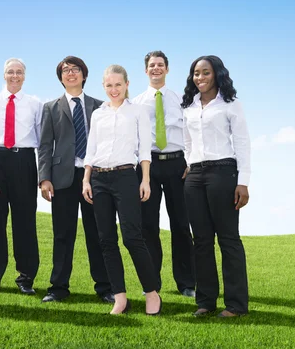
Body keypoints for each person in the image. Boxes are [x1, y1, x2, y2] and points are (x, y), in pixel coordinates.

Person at [82, 64, 162, 315]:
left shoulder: (138, 111)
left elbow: (145, 150)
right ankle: (120, 297)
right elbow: (91, 150)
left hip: (127, 176)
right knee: (106, 240)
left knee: (132, 237)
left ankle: (151, 292)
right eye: (109, 85)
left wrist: (145, 179)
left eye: (118, 84)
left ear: (127, 85)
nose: (113, 89)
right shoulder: (98, 114)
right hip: (99, 179)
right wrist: (86, 179)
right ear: (103, 87)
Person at [38, 56, 114, 303]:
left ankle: (105, 288)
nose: (71, 73)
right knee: (62, 234)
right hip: (63, 179)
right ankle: (58, 287)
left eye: (75, 70)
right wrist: (44, 179)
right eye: (65, 70)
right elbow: (45, 145)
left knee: (98, 233)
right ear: (61, 77)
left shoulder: (101, 106)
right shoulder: (51, 107)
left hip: (94, 177)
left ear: (84, 75)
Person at [181, 55, 250, 318]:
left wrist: (243, 182)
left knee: (228, 239)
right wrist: (189, 164)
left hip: (223, 172)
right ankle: (206, 302)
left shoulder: (231, 105)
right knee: (201, 241)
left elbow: (243, 143)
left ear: (217, 74)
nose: (200, 78)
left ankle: (236, 305)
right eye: (196, 73)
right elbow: (187, 142)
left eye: (205, 72)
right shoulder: (188, 106)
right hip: (195, 176)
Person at [132, 51, 196, 297]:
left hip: (177, 165)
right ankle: (153, 284)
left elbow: (191, 132)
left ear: (167, 69)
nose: (156, 69)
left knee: (181, 224)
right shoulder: (136, 103)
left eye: (160, 65)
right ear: (145, 71)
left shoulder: (182, 100)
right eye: (151, 65)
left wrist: (190, 162)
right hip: (147, 167)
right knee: (148, 226)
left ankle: (187, 283)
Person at [0, 58, 41, 295]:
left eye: (19, 72)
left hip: (24, 160)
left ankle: (26, 278)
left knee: (25, 221)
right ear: (3, 75)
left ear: (24, 76)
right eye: (10, 72)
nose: (14, 76)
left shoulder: (35, 104)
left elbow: (42, 139)